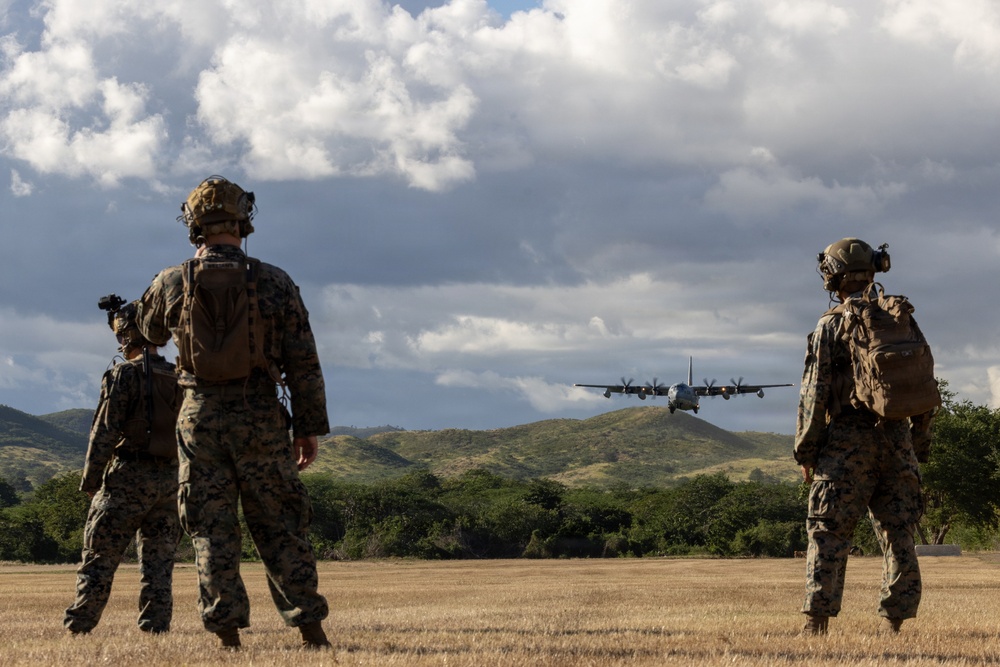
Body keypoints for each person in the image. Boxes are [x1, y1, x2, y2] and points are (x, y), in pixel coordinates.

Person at [135, 175, 331, 650]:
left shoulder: (171, 280)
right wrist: (307, 428)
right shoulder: (275, 281)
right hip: (260, 415)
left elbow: (147, 334)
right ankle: (308, 626)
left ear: (193, 224)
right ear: (243, 221)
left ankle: (226, 633)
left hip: (199, 417)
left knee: (209, 524)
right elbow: (303, 362)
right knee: (280, 521)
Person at [794, 238, 934, 636]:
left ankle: (816, 624)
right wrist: (919, 444)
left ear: (831, 275)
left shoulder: (829, 324)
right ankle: (894, 625)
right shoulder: (900, 317)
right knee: (899, 533)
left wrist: (807, 452)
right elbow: (923, 384)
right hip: (898, 441)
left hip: (847, 442)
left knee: (828, 532)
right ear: (874, 269)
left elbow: (814, 392)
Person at [64, 299, 181, 635]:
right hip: (170, 480)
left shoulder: (123, 374)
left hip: (128, 477)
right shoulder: (177, 376)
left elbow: (104, 430)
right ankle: (155, 629)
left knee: (99, 558)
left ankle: (80, 626)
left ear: (127, 335)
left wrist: (91, 478)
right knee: (159, 566)